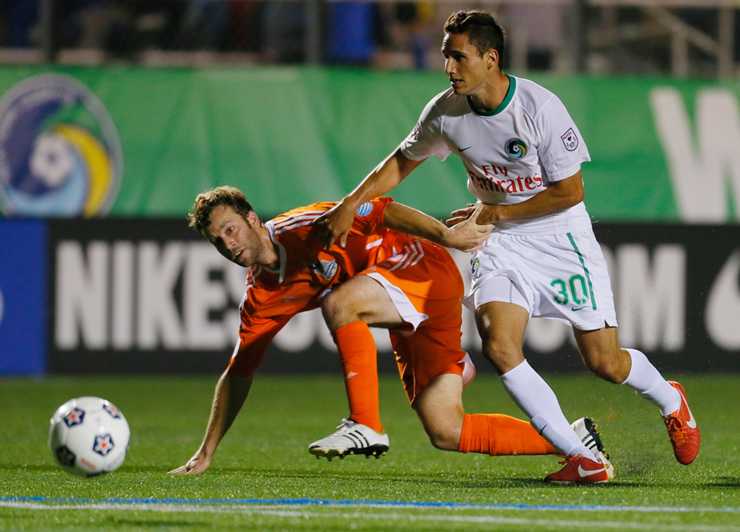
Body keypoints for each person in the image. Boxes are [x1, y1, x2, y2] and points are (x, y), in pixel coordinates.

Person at [315, 10, 700, 484]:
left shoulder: (540, 107)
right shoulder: (445, 112)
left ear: (490, 58)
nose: (449, 68)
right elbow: (400, 163)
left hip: (560, 238)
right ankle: (583, 458)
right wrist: (351, 203)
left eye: (459, 57)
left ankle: (670, 399)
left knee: (605, 361)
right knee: (499, 346)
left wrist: (496, 212)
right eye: (445, 57)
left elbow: (569, 192)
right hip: (500, 242)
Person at [168, 186, 610, 480]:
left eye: (230, 230)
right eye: (217, 241)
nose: (228, 244)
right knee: (446, 430)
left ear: (250, 218)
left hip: (420, 269)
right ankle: (573, 443)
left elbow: (381, 208)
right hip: (399, 304)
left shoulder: (308, 227)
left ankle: (365, 424)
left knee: (340, 303)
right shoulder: (261, 295)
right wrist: (207, 451)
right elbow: (239, 373)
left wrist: (447, 236)